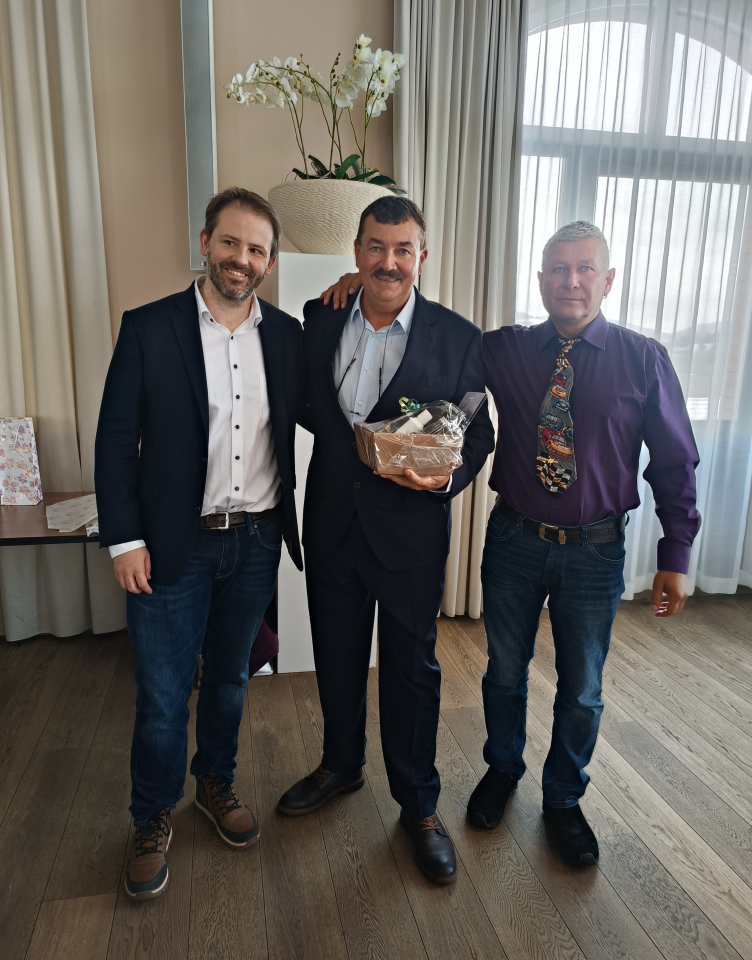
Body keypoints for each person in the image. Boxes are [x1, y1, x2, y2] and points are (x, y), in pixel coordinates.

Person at [319, 219, 700, 868]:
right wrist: (366, 282)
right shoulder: (506, 349)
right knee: (503, 671)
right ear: (541, 279)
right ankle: (502, 769)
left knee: (582, 687)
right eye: (558, 269)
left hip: (595, 550)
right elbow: (432, 330)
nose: (571, 281)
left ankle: (564, 799)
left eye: (584, 269)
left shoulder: (644, 359)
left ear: (608, 280)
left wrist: (677, 554)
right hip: (514, 540)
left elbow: (673, 461)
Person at [278, 196, 494, 886]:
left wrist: (442, 479)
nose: (389, 261)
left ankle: (419, 806)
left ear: (421, 258)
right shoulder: (320, 318)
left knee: (410, 670)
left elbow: (477, 431)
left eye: (403, 249)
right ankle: (341, 764)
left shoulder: (458, 337)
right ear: (357, 252)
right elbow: (309, 408)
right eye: (376, 246)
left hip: (410, 534)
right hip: (332, 523)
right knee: (337, 655)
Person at [95, 187, 303, 900]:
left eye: (256, 249)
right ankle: (151, 815)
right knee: (161, 693)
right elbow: (116, 442)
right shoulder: (149, 328)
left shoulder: (286, 336)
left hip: (257, 540)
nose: (241, 259)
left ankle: (215, 782)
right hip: (171, 546)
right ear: (206, 242)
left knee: (231, 677)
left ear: (269, 262)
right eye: (231, 242)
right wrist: (124, 540)